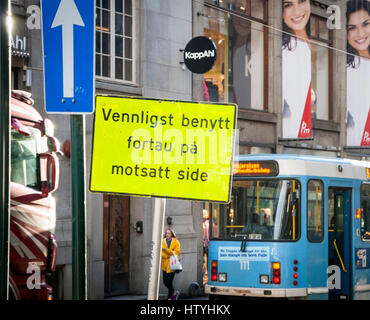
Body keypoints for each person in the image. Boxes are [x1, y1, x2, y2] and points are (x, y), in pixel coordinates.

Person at [282, 0, 312, 139]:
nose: (297, 10)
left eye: (301, 1)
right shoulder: (288, 48)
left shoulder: (307, 45)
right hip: (292, 127)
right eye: (288, 5)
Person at [346, 0, 370, 146]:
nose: (360, 33)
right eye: (352, 28)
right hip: (355, 138)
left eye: (366, 24)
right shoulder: (346, 69)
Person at [161, 228, 181, 300]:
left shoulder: (176, 242)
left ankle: (170, 298)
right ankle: (175, 292)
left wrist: (167, 250)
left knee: (170, 282)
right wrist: (168, 255)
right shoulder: (162, 241)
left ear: (172, 234)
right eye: (166, 233)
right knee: (165, 282)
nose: (167, 235)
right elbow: (161, 253)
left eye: (169, 233)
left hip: (172, 265)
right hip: (164, 265)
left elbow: (176, 252)